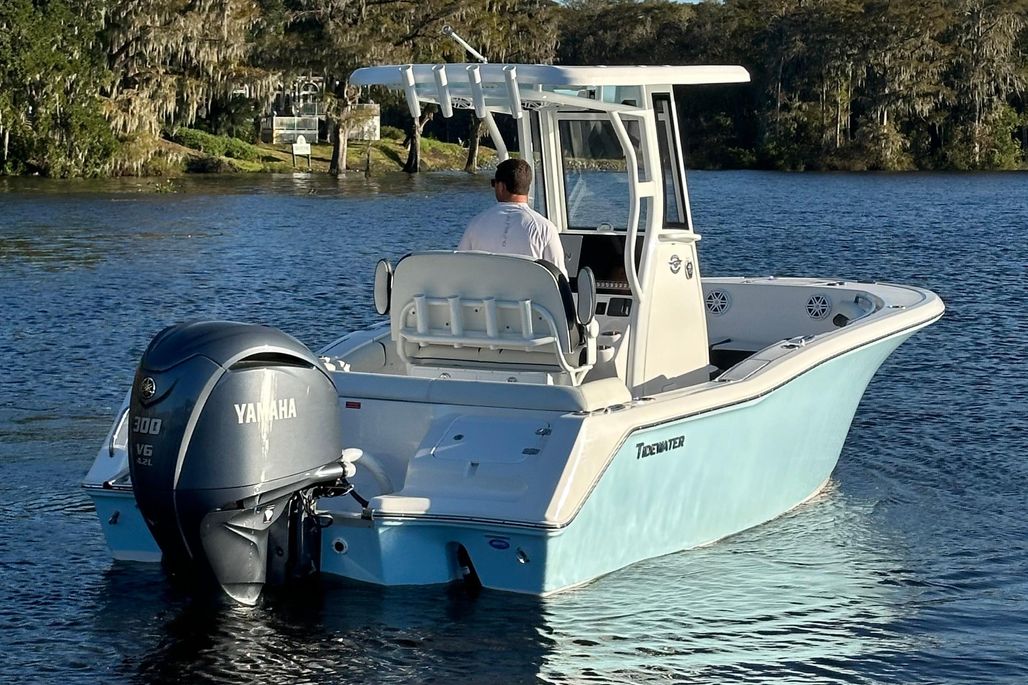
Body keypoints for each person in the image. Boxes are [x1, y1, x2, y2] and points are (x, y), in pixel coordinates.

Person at [458, 158, 568, 277]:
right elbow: (558, 277)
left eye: (493, 183)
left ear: (501, 187)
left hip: (487, 289)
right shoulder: (545, 228)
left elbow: (459, 267)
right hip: (528, 289)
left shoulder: (476, 223)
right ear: (527, 187)